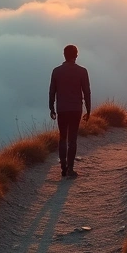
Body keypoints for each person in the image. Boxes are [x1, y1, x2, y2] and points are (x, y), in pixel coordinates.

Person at [49, 44, 91, 178]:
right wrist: (88, 110)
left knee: (62, 137)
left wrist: (51, 107)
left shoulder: (56, 71)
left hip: (62, 109)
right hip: (76, 109)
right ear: (76, 55)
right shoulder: (82, 71)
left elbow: (52, 91)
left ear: (64, 55)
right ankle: (70, 169)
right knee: (72, 139)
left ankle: (63, 168)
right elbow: (86, 92)